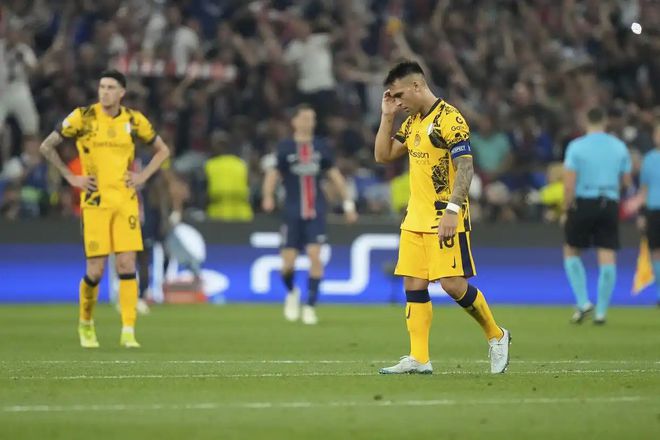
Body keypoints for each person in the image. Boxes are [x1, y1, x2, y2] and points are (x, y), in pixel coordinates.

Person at [374, 61, 510, 375]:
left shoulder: (450, 119)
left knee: (452, 285)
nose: (397, 102)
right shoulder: (412, 122)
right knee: (413, 283)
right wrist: (387, 116)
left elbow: (466, 167)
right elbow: (382, 155)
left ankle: (497, 335)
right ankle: (419, 357)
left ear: (417, 86)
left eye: (399, 95)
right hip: (415, 218)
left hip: (444, 215)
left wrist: (453, 210)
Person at [39, 69, 170, 348]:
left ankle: (128, 330)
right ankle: (86, 323)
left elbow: (163, 150)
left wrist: (142, 177)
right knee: (96, 271)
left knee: (127, 265)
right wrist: (71, 177)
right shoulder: (83, 117)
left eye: (110, 87)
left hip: (125, 202)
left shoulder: (133, 120)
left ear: (122, 93)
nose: (104, 92)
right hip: (96, 203)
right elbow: (47, 146)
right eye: (102, 87)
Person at [262, 104, 357, 325]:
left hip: (316, 211)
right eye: (305, 118)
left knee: (315, 256)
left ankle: (310, 306)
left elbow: (335, 176)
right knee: (287, 264)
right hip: (291, 211)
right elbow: (273, 174)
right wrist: (267, 196)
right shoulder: (285, 147)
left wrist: (348, 204)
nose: (309, 122)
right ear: (294, 121)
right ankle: (292, 292)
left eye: (312, 118)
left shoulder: (321, 147)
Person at [563, 108, 632, 324]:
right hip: (609, 201)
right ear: (605, 121)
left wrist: (566, 209)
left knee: (571, 251)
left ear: (586, 121)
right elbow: (627, 182)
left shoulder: (576, 146)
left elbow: (569, 184)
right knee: (607, 255)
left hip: (584, 201)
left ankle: (583, 302)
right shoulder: (619, 146)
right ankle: (601, 313)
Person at [638, 118, 660, 306]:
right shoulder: (649, 159)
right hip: (654, 211)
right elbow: (644, 190)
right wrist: (642, 213)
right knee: (655, 252)